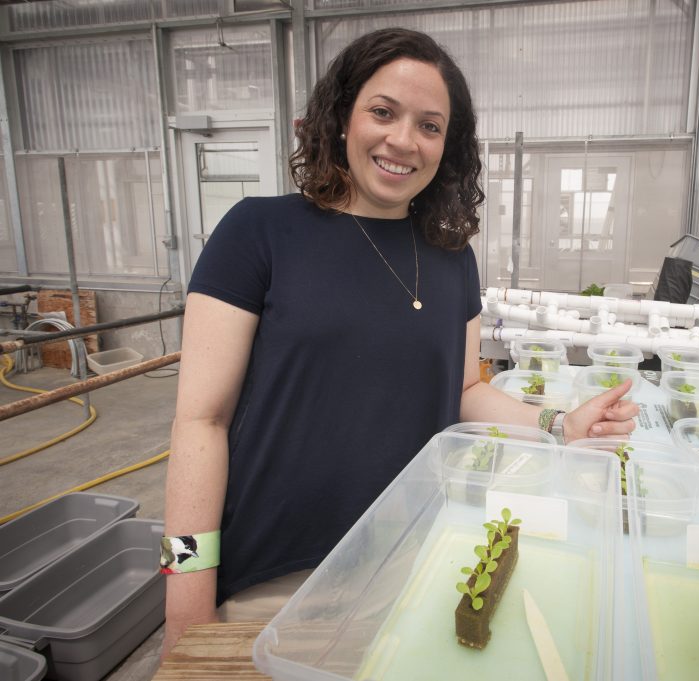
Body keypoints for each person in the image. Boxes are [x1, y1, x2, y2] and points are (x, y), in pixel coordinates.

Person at [161, 27, 637, 656]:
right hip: (277, 580)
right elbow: (201, 421)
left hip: (414, 565)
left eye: (430, 125)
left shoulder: (451, 259)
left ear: (449, 146)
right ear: (340, 118)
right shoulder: (259, 233)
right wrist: (185, 600)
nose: (403, 141)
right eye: (383, 112)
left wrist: (559, 424)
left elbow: (465, 390)